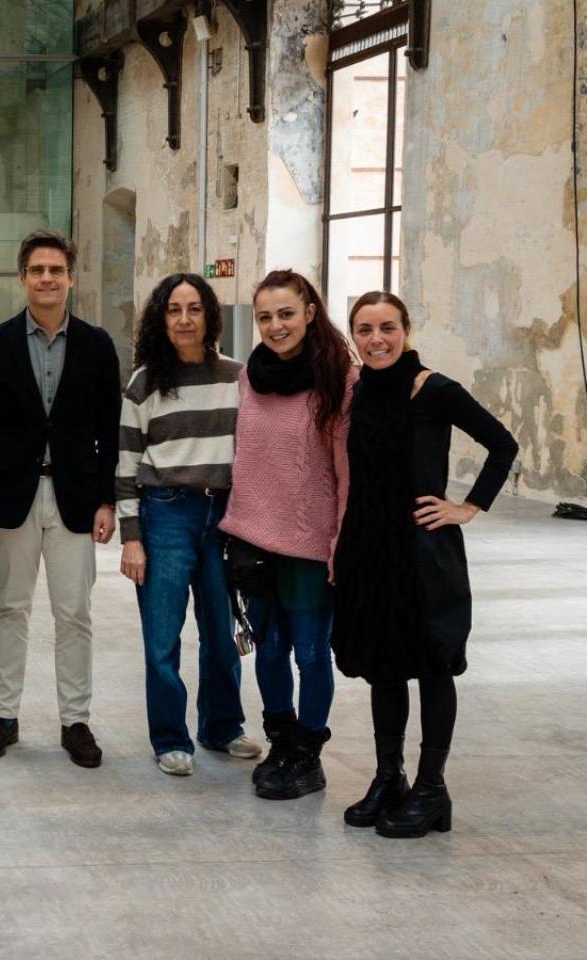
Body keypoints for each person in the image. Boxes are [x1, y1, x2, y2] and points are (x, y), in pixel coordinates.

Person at [333, 291, 517, 837]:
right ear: (354, 337)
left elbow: (502, 444)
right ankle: (389, 778)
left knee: (433, 665)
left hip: (421, 549)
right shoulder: (360, 391)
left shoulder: (432, 388)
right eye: (364, 330)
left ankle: (432, 790)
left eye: (387, 327)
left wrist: (468, 507)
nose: (377, 339)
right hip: (369, 547)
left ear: (406, 330)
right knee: (383, 666)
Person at [0, 230, 121, 769]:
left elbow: (108, 429)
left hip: (75, 496)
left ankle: (75, 720)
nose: (47, 279)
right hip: (12, 498)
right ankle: (4, 716)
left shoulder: (96, 345)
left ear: (70, 278)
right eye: (37, 270)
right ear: (23, 278)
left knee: (74, 613)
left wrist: (107, 500)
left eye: (56, 270)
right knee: (10, 608)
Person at [219, 268, 355, 801]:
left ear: (310, 313)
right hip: (253, 537)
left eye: (286, 314)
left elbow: (348, 470)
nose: (276, 326)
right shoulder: (249, 376)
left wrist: (341, 541)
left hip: (310, 542)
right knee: (269, 651)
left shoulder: (340, 380)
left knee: (311, 653)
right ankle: (281, 741)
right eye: (265, 317)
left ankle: (308, 755)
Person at [116, 274, 260, 776]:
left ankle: (222, 727)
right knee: (162, 637)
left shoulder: (236, 377)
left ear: (209, 316)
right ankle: (171, 738)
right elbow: (126, 465)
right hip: (165, 514)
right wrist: (132, 538)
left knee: (222, 632)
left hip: (224, 516)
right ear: (161, 318)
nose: (183, 319)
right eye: (173, 310)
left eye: (193, 309)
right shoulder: (145, 383)